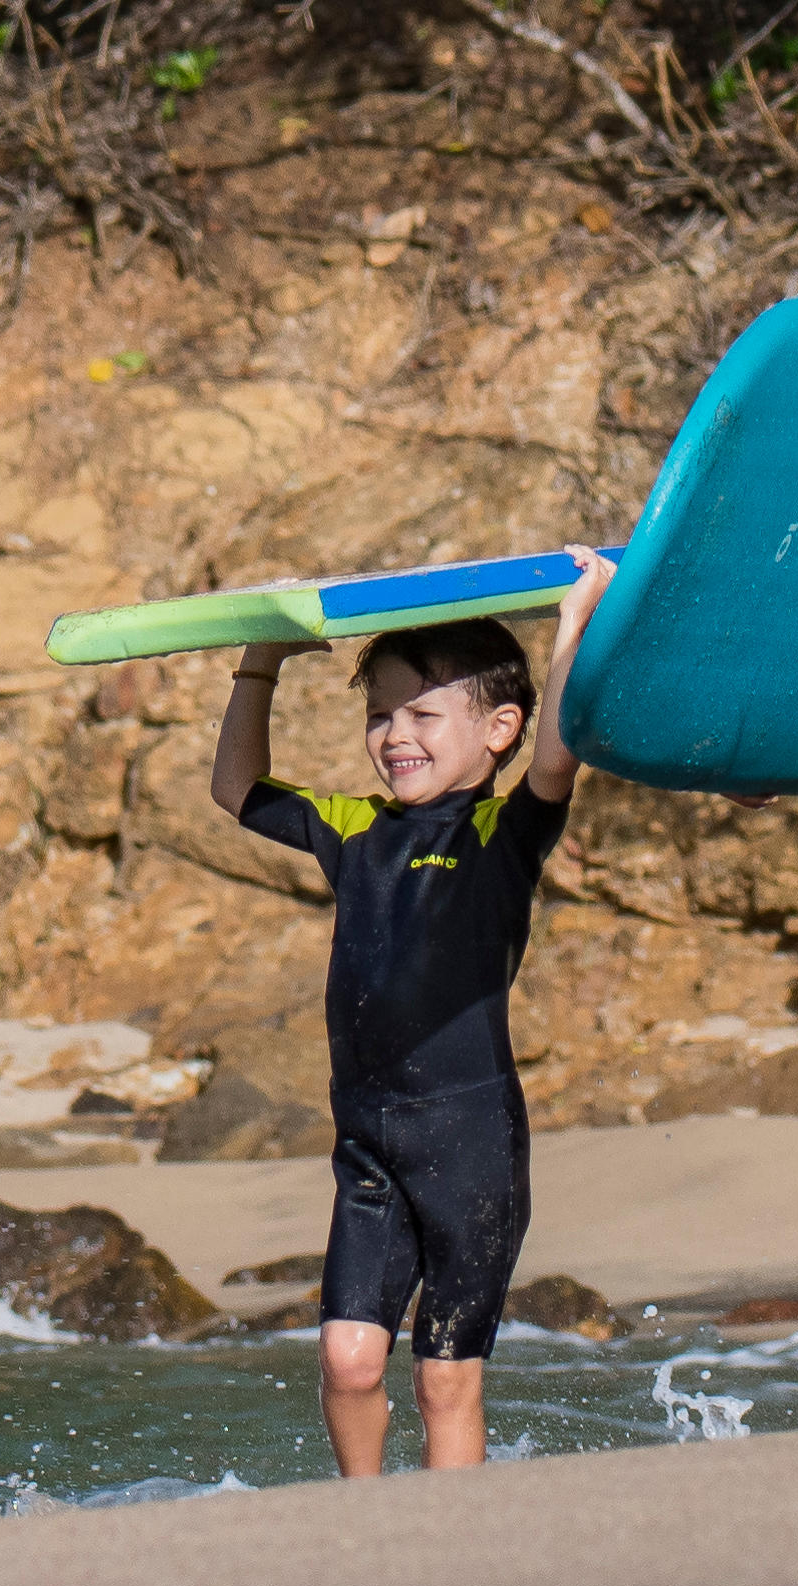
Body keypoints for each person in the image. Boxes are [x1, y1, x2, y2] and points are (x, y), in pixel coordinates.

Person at [210, 556, 612, 1476]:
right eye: (379, 715)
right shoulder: (354, 829)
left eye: (423, 715)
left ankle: (450, 1551)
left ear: (498, 729)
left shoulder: (499, 834)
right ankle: (367, 1526)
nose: (396, 734)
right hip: (368, 1142)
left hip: (469, 1140)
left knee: (443, 1380)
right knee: (349, 1362)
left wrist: (573, 626)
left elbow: (557, 759)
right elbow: (235, 789)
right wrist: (259, 662)